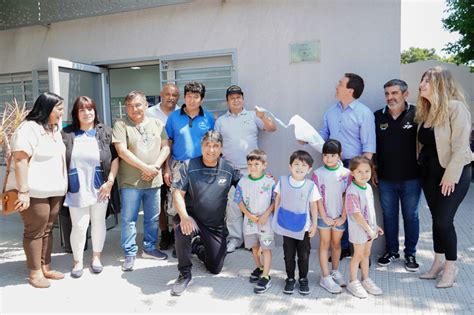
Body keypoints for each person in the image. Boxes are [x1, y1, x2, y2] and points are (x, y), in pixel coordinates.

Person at [416, 67, 472, 288]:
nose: (421, 84)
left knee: (443, 220)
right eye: (422, 80)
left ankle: (451, 266)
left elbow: (460, 147)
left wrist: (450, 177)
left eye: (427, 81)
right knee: (436, 220)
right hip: (430, 174)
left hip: (454, 173)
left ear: (440, 84)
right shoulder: (427, 112)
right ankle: (438, 261)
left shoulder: (456, 108)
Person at [7, 92, 67, 288]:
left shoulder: (53, 129)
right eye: (58, 108)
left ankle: (45, 267)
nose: (61, 112)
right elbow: (20, 160)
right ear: (47, 108)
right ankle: (34, 273)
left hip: (54, 189)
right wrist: (23, 191)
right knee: (35, 230)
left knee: (47, 229)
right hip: (33, 191)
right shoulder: (28, 129)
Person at [170, 131, 240, 296]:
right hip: (193, 219)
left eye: (215, 146)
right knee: (182, 229)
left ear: (221, 148)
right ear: (201, 147)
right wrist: (185, 217)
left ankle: (196, 246)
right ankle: (185, 274)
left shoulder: (228, 168)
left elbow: (245, 186)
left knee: (215, 268)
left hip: (215, 225)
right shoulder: (189, 165)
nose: (211, 150)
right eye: (207, 145)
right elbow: (177, 194)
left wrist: (263, 180)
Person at [61, 96, 119, 278]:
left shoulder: (105, 132)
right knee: (79, 225)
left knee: (99, 222)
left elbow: (115, 159)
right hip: (76, 187)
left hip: (100, 186)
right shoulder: (67, 133)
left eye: (90, 109)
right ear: (76, 113)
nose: (87, 113)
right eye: (82, 110)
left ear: (95, 111)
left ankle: (96, 257)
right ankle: (77, 260)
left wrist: (109, 182)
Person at [320, 73, 376, 260]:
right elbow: (323, 136)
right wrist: (306, 138)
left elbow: (368, 147)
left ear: (350, 90)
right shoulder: (330, 112)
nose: (336, 86)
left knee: (356, 206)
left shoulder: (364, 113)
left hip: (354, 166)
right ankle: (342, 248)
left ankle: (359, 250)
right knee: (338, 204)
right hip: (334, 165)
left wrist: (363, 173)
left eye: (340, 83)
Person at [112, 90, 170, 272]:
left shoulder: (157, 123)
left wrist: (155, 167)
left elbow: (166, 147)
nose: (133, 109)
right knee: (129, 218)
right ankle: (129, 253)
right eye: (129, 106)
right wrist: (145, 168)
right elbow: (122, 151)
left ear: (146, 105)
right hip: (131, 182)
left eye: (137, 105)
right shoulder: (121, 125)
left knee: (153, 218)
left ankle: (149, 248)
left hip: (154, 180)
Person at [215, 85, 276, 253]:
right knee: (234, 206)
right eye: (232, 97)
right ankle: (235, 239)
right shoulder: (221, 121)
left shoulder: (252, 116)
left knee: (256, 205)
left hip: (252, 170)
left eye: (238, 97)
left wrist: (263, 117)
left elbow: (271, 128)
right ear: (227, 101)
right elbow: (216, 145)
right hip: (230, 169)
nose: (236, 100)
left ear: (243, 99)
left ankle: (254, 240)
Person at [373, 79, 422, 272]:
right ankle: (391, 251)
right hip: (385, 178)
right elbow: (372, 146)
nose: (390, 97)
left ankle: (411, 252)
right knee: (390, 216)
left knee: (411, 216)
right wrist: (374, 168)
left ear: (405, 94)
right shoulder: (378, 116)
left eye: (394, 93)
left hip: (412, 178)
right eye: (387, 93)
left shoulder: (418, 114)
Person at [272, 150, 320, 296]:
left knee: (304, 255)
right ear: (290, 166)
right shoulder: (283, 181)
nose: (299, 167)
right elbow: (278, 199)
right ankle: (290, 278)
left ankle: (303, 279)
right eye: (296, 164)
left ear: (309, 169)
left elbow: (313, 206)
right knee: (288, 254)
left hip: (303, 227)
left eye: (304, 165)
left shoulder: (311, 185)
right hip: (287, 225)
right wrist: (275, 217)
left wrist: (314, 225)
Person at [234, 149, 276, 294]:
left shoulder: (270, 182)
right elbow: (238, 200)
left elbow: (275, 201)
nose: (252, 167)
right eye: (250, 164)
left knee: (266, 248)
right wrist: (248, 214)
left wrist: (266, 214)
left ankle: (266, 275)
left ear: (264, 165)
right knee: (255, 247)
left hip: (266, 221)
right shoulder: (242, 182)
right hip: (250, 221)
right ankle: (259, 267)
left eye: (256, 164)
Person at [312, 139, 350, 294]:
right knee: (324, 244)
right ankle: (325, 277)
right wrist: (324, 216)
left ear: (340, 155)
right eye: (326, 155)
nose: (329, 159)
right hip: (324, 217)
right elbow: (317, 197)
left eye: (333, 155)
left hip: (339, 216)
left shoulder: (347, 174)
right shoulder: (318, 173)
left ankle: (335, 271)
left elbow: (348, 196)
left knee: (336, 244)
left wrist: (343, 217)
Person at [145, 83, 180, 251]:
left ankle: (176, 233)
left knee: (177, 200)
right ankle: (164, 233)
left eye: (174, 95)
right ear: (161, 94)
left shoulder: (182, 112)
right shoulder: (149, 113)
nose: (171, 97)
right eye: (168, 94)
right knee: (158, 201)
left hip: (178, 164)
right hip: (155, 163)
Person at [345, 156, 384, 299]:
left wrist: (375, 226)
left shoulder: (367, 187)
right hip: (359, 229)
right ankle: (353, 281)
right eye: (359, 172)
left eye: (367, 171)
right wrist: (368, 229)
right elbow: (356, 214)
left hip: (370, 229)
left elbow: (369, 210)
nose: (364, 175)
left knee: (366, 254)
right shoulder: (352, 191)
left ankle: (365, 279)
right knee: (358, 255)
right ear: (352, 173)